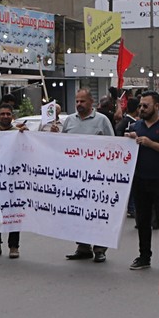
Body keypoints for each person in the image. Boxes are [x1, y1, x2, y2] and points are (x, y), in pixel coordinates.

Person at [57, 88, 115, 263]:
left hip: (96, 178)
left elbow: (112, 145)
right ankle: (83, 247)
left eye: (82, 101)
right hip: (75, 178)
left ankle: (99, 249)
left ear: (91, 102)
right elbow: (61, 145)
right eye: (77, 101)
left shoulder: (102, 120)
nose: (79, 104)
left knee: (96, 213)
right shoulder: (69, 121)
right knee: (78, 213)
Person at [124, 91, 159, 271]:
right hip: (140, 181)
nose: (141, 108)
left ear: (156, 106)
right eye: (140, 105)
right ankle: (144, 256)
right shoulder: (137, 126)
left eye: (145, 106)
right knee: (143, 220)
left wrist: (151, 143)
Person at [0, 103, 23, 259]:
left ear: (12, 116)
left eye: (8, 114)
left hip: (14, 181)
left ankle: (14, 246)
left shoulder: (19, 133)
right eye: (3, 114)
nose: (6, 116)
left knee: (14, 211)